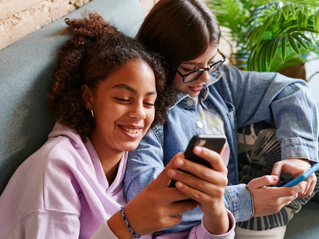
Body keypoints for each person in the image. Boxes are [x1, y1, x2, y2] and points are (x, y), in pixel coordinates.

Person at [0, 12, 235, 238]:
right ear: (88, 97)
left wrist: (214, 212)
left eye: (149, 102)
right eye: (123, 99)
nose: (139, 113)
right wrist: (128, 224)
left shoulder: (128, 163)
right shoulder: (54, 171)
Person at [123, 0, 319, 238]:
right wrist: (244, 201)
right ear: (160, 61)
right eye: (191, 67)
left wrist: (297, 155)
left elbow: (292, 90)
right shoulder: (146, 114)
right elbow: (145, 199)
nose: (205, 76)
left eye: (211, 62)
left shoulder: (219, 82)